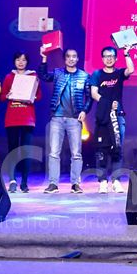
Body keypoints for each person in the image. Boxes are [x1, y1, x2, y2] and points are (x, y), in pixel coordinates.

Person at [38, 47, 91, 194]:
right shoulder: (58, 73)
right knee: (54, 153)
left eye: (74, 56)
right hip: (57, 118)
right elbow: (43, 75)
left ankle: (75, 184)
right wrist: (44, 58)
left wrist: (85, 111)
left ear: (78, 59)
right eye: (68, 56)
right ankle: (53, 184)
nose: (71, 59)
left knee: (76, 154)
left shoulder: (84, 76)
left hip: (74, 119)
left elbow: (89, 97)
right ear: (65, 59)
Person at [90, 45, 134, 193]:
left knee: (117, 148)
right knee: (101, 150)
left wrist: (127, 54)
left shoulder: (119, 73)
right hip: (103, 117)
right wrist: (108, 104)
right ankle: (102, 181)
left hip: (118, 116)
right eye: (106, 56)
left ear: (115, 58)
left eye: (111, 56)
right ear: (102, 58)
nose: (109, 59)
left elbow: (131, 70)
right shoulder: (97, 74)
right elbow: (94, 93)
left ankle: (116, 181)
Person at [0, 51, 42, 193]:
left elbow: (39, 95)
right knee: (12, 150)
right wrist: (8, 95)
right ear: (14, 61)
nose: (21, 62)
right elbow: (2, 97)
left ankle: (24, 182)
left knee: (25, 151)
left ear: (27, 62)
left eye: (23, 60)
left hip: (27, 119)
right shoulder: (9, 77)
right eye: (18, 59)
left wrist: (32, 96)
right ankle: (12, 180)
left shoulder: (33, 76)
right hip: (12, 119)